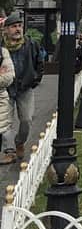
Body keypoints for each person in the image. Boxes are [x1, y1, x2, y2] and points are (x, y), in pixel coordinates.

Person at [0, 13, 43, 165]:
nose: (18, 29)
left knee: (26, 120)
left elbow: (39, 61)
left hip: (25, 88)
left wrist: (35, 79)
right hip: (6, 89)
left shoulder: (31, 44)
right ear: (5, 30)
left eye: (19, 26)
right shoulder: (1, 47)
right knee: (4, 122)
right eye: (13, 26)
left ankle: (19, 142)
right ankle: (9, 152)